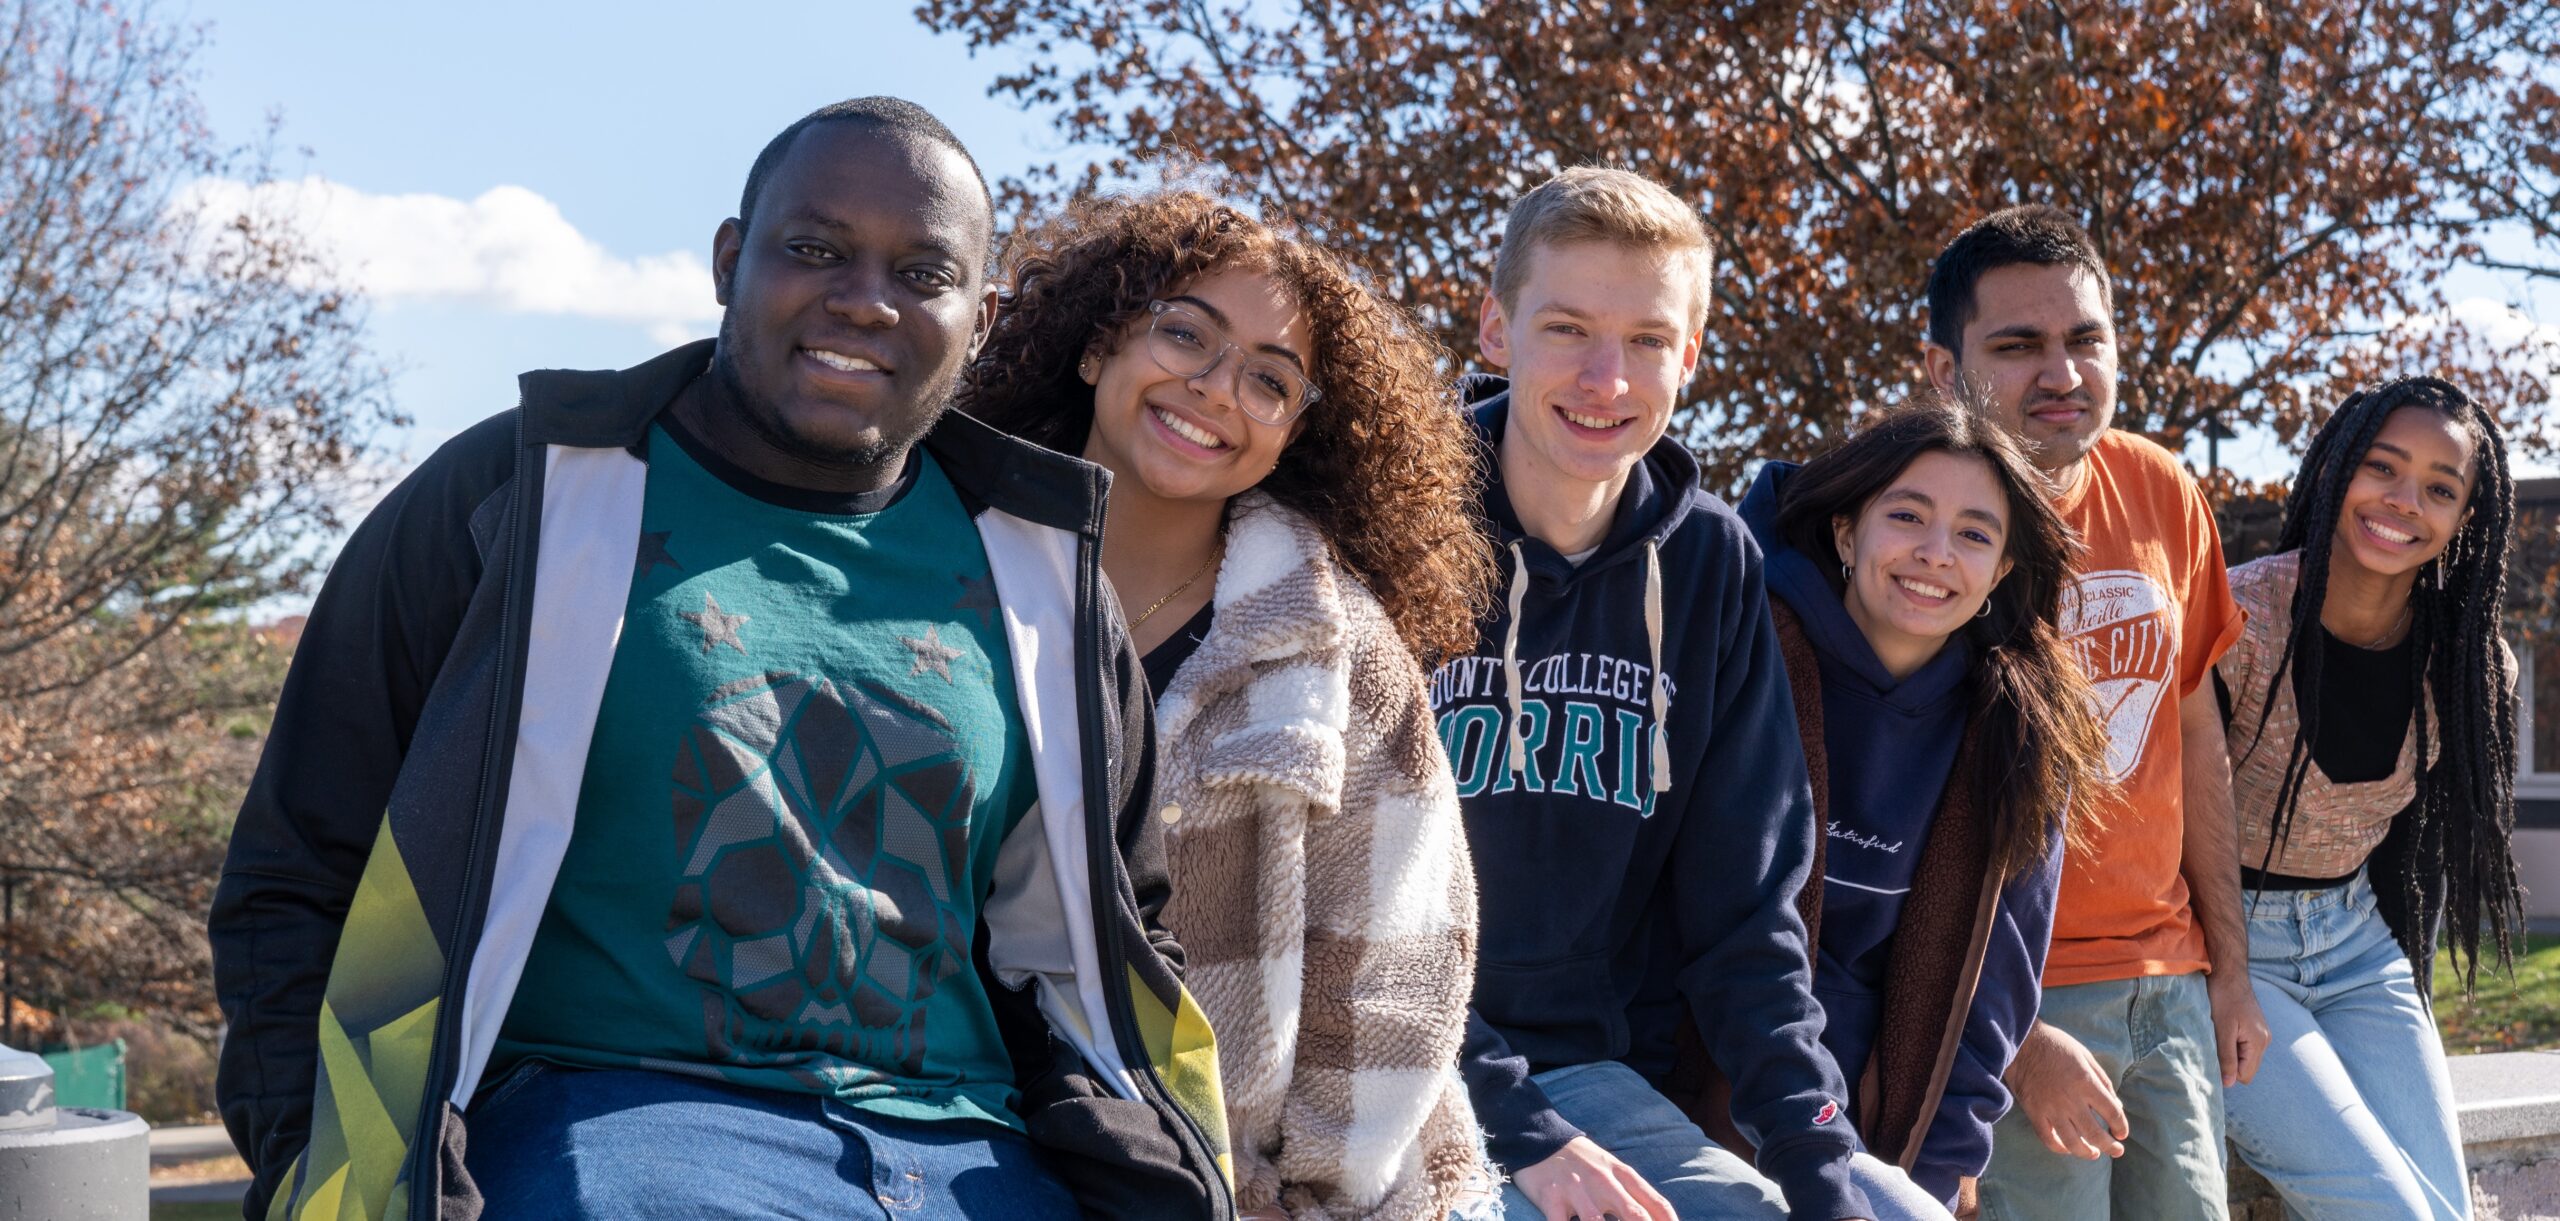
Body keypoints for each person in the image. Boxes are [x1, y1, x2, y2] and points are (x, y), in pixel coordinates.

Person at [207, 98, 1234, 1221]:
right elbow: (298, 874)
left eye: (922, 271)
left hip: (971, 1154)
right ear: (730, 261)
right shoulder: (516, 504)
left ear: (979, 319)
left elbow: (1123, 939)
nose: (862, 299)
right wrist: (333, 1176)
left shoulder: (1042, 586)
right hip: (609, 1130)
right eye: (814, 250)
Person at [961, 189, 1499, 1220]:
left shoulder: (1344, 659)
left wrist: (1274, 1197)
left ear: (1294, 431)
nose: (1213, 389)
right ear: (1095, 347)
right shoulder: (946, 568)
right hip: (952, 1122)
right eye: (1183, 335)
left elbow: (1396, 979)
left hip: (1247, 1177)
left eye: (1269, 381)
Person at [1435, 165, 1949, 1221]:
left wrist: (1819, 1162)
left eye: (1647, 342)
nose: (1606, 379)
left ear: (1690, 358)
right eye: (1569, 328)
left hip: (1588, 1080)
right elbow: (1330, 902)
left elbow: (1746, 913)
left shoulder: (1711, 563)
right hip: (1387, 1066)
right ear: (1496, 328)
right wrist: (1520, 1134)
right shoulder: (1396, 524)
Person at [1924, 204, 2259, 1220]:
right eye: (2017, 346)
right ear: (1944, 370)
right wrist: (2005, 1044)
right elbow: (1875, 827)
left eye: (2084, 339)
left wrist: (2227, 977)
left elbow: (2192, 737)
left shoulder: (2160, 490)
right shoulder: (1913, 529)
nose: (2061, 374)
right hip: (2019, 999)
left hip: (2170, 985)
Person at [1733, 398, 2112, 1216]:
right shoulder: (1745, 652)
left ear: (2003, 570)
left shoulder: (2020, 729)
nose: (1935, 554)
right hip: (1709, 1091)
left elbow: (1994, 989)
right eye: (1907, 515)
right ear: (1846, 532)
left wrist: (1934, 1176)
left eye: (1975, 533)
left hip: (1885, 1129)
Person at [2216, 377, 2521, 1219]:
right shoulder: (2240, 616)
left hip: (2359, 948)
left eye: (2438, 487)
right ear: (2339, 467)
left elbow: (2414, 854)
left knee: (2446, 1210)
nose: (2403, 501)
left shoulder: (2470, 666)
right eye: (2382, 467)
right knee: (2389, 1209)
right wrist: (2219, 975)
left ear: (2465, 519)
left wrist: (2409, 985)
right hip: (2224, 951)